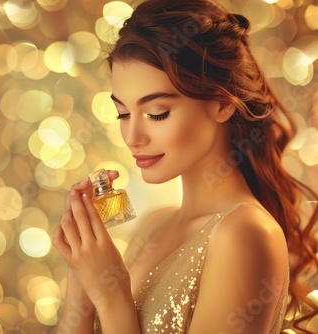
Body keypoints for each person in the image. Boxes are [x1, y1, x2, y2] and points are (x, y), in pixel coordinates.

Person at [52, 0, 318, 333]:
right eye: (123, 113)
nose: (132, 136)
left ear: (221, 104)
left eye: (157, 113)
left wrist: (110, 296)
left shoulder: (247, 234)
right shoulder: (153, 225)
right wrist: (81, 283)